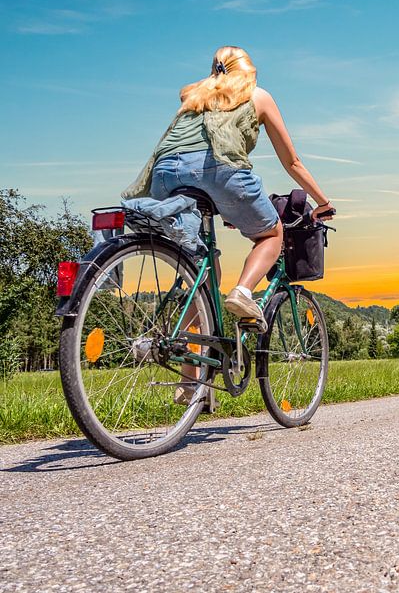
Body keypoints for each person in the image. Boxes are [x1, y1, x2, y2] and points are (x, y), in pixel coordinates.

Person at [122, 45, 334, 404]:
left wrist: (226, 206)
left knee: (201, 276)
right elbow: (292, 161)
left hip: (164, 176)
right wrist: (323, 202)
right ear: (249, 70)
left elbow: (181, 155)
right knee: (271, 234)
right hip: (220, 173)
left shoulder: (194, 98)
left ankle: (192, 386)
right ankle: (244, 293)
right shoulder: (258, 94)